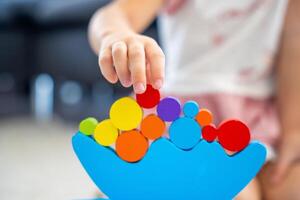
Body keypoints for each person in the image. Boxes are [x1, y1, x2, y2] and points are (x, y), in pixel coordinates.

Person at [88, 0, 300, 199]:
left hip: (256, 122)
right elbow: (115, 14)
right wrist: (116, 35)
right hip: (182, 117)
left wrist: (293, 130)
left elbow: (294, 43)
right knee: (230, 190)